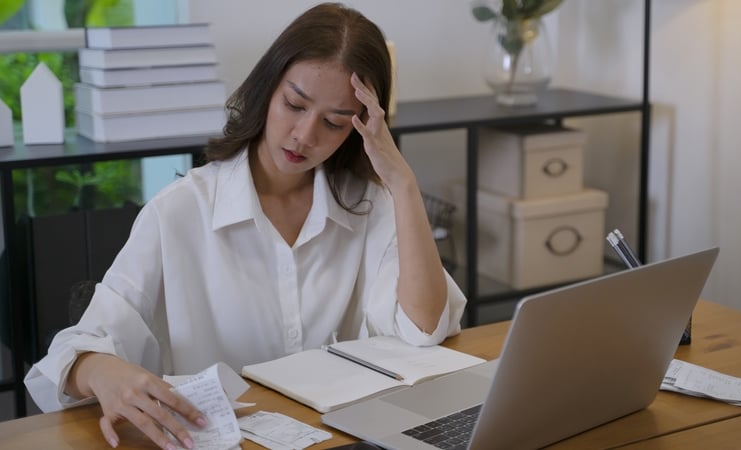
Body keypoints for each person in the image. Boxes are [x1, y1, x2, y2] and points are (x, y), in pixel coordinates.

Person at [24, 3, 467, 449]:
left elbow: (424, 327)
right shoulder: (179, 212)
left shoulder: (369, 205)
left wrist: (403, 184)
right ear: (267, 89)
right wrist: (102, 370)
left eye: (334, 123)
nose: (304, 135)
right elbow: (75, 352)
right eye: (294, 105)